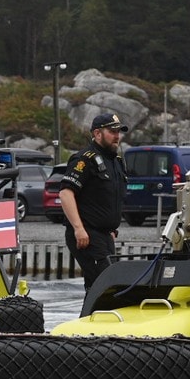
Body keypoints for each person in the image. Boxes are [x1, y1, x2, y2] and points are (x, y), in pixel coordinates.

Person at [59, 113, 129, 293]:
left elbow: (112, 198)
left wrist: (112, 229)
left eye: (118, 131)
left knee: (95, 288)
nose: (117, 136)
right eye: (112, 131)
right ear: (98, 134)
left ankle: (87, 319)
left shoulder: (116, 162)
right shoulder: (85, 159)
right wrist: (78, 228)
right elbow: (66, 194)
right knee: (109, 285)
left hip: (106, 236)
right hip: (87, 234)